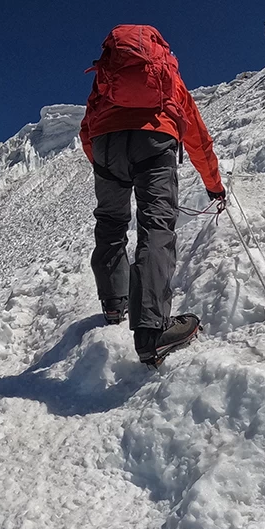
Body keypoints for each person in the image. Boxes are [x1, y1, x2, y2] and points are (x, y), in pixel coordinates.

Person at [80, 25, 226, 366]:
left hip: (106, 143)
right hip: (154, 139)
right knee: (156, 224)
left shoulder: (107, 75)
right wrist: (213, 183)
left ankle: (114, 301)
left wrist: (102, 163)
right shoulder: (166, 75)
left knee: (111, 221)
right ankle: (151, 330)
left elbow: (87, 124)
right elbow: (197, 134)